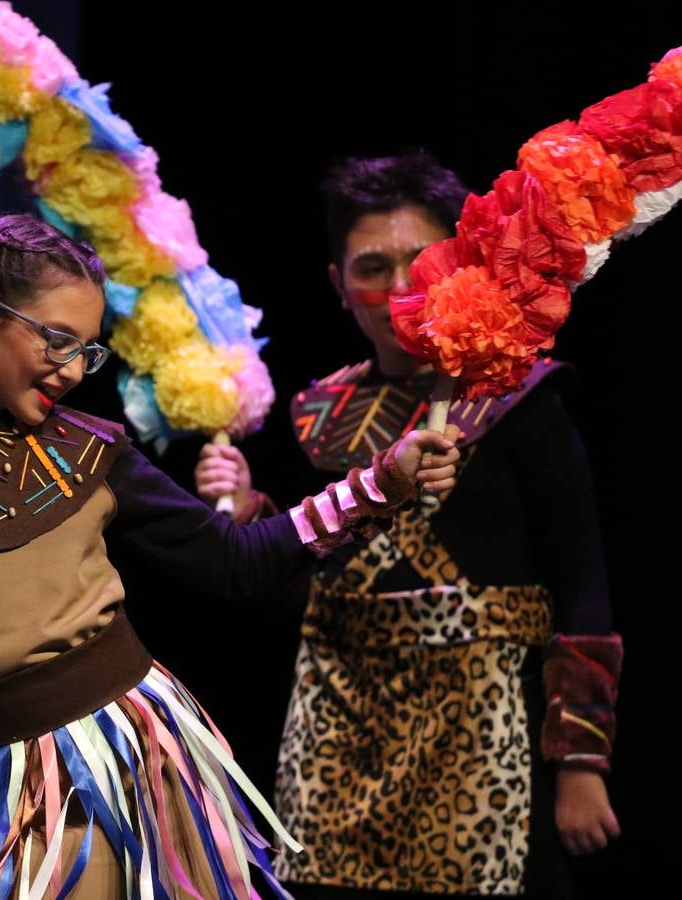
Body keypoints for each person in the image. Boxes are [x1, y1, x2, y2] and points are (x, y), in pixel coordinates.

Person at [0, 213, 460, 900]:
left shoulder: (90, 449)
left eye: (86, 349)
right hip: (0, 799)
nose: (73, 369)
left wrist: (379, 483)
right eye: (56, 340)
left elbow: (236, 562)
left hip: (137, 762)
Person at [196, 152, 622, 897]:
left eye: (422, 261)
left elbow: (582, 583)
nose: (400, 289)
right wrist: (247, 515)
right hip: (339, 734)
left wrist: (581, 761)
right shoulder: (319, 415)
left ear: (461, 266)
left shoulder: (518, 401)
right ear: (337, 285)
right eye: (372, 267)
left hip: (486, 734)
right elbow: (307, 601)